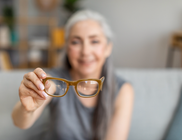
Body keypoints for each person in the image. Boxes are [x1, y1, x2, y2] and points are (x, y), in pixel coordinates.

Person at [11, 10, 134, 140]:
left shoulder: (122, 90)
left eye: (94, 41)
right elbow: (20, 122)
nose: (85, 51)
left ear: (108, 48)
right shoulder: (55, 81)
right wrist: (27, 109)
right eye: (76, 42)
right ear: (67, 48)